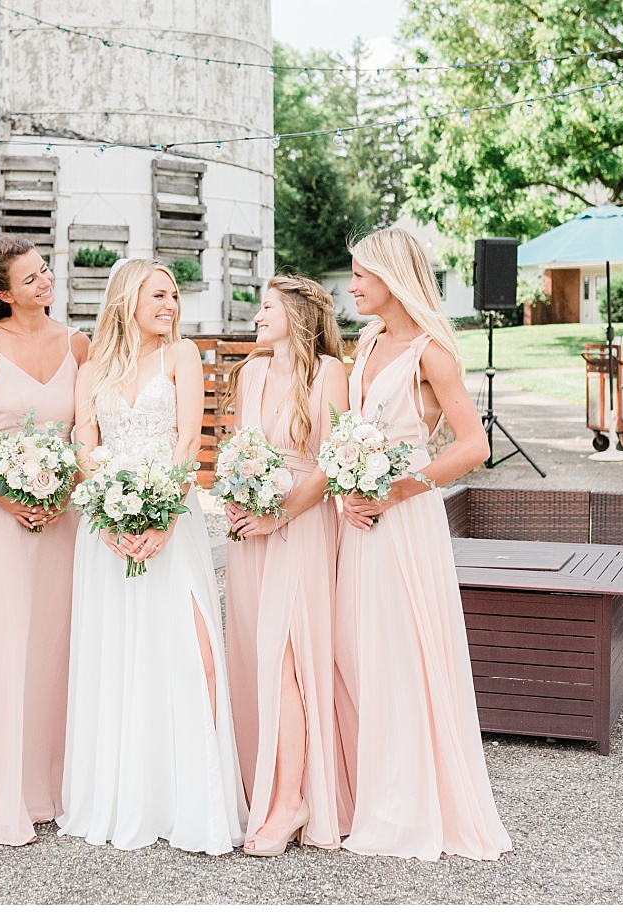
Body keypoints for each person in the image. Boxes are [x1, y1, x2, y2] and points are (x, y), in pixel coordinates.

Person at [332, 226, 513, 861]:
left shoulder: (431, 352)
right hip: (356, 517)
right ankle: (370, 791)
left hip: (404, 520)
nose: (351, 286)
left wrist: (395, 491)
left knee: (404, 651)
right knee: (360, 648)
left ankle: (407, 807)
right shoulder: (368, 341)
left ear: (392, 277)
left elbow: (473, 446)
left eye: (360, 275)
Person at [56, 259, 246, 856]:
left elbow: (191, 441)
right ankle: (125, 796)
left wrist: (161, 516)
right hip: (105, 528)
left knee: (190, 647)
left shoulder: (181, 357)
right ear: (126, 299)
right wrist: (110, 518)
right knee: (117, 650)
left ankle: (196, 799)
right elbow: (84, 447)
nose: (170, 305)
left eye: (173, 295)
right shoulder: (91, 369)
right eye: (158, 294)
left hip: (174, 518)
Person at [0, 235, 89, 846]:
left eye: (46, 272)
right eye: (31, 278)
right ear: (5, 293)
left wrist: (61, 493)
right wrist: (6, 493)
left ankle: (53, 789)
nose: (45, 283)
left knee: (57, 647)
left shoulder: (78, 344)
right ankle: (4, 795)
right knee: (5, 647)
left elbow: (87, 434)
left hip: (63, 518)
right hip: (0, 517)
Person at [223, 276, 349, 855]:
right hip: (249, 532)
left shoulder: (327, 374)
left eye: (266, 307)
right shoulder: (250, 373)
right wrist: (234, 492)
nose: (256, 316)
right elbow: (236, 448)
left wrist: (279, 517)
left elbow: (330, 465)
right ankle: (265, 783)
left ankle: (290, 800)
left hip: (298, 528)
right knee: (254, 657)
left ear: (297, 313)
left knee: (286, 663)